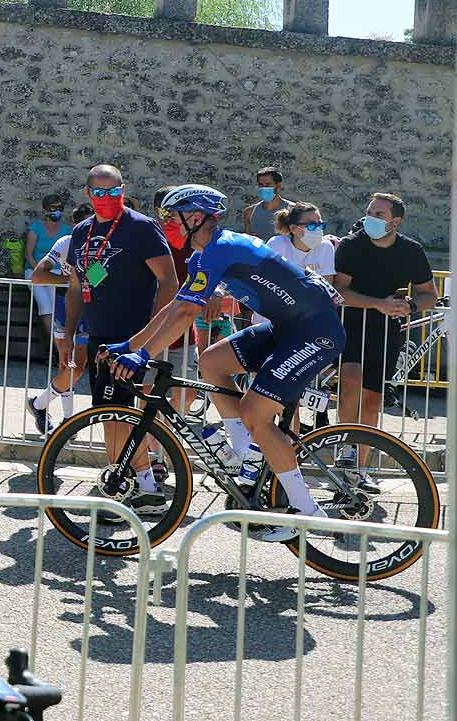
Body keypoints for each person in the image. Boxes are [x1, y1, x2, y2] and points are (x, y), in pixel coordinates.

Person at [102, 185, 348, 542]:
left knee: (256, 413)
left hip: (315, 332)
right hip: (288, 328)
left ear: (196, 217)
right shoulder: (202, 257)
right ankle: (245, 453)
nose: (165, 223)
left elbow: (187, 312)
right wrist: (130, 345)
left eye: (171, 217)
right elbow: (174, 308)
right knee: (212, 361)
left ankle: (306, 511)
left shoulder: (222, 248)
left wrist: (141, 356)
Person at [38, 165, 177, 485]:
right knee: (110, 415)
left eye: (113, 191)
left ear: (123, 190)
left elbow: (168, 281)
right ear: (88, 193)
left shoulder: (140, 228)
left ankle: (144, 484)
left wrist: (152, 334)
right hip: (99, 336)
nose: (106, 197)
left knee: (122, 416)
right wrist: (67, 336)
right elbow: (76, 287)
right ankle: (128, 482)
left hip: (134, 338)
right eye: (99, 192)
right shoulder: (80, 232)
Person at [331, 192, 437, 486]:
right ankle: (345, 450)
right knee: (351, 380)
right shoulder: (352, 246)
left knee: (374, 400)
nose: (370, 219)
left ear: (396, 222)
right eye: (369, 212)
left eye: (378, 215)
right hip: (350, 322)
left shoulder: (411, 251)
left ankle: (359, 472)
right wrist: (377, 303)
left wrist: (411, 306)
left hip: (387, 328)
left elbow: (430, 294)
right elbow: (341, 291)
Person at [27, 203, 92, 434]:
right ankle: (67, 421)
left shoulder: (101, 245)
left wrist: (80, 280)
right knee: (69, 366)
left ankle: (40, 404)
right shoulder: (65, 243)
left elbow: (98, 279)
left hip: (90, 311)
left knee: (76, 368)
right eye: (84, 225)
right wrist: (69, 281)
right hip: (65, 309)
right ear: (75, 226)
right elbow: (37, 275)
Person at [254, 202, 336, 326]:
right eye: (312, 225)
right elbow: (267, 285)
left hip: (305, 321)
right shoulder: (277, 245)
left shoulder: (326, 247)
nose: (318, 228)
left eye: (320, 224)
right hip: (271, 321)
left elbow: (324, 290)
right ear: (293, 228)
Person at [24, 193, 72, 348]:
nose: (56, 211)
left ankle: (61, 348)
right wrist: (38, 271)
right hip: (36, 270)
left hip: (58, 274)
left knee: (57, 307)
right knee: (45, 306)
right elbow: (28, 255)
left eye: (60, 208)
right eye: (52, 208)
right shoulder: (36, 228)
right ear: (45, 210)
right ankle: (57, 349)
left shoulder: (66, 231)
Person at [241, 166, 293, 240]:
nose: (264, 188)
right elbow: (248, 242)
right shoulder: (249, 212)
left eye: (268, 184)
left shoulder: (293, 210)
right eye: (261, 184)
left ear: (278, 186)